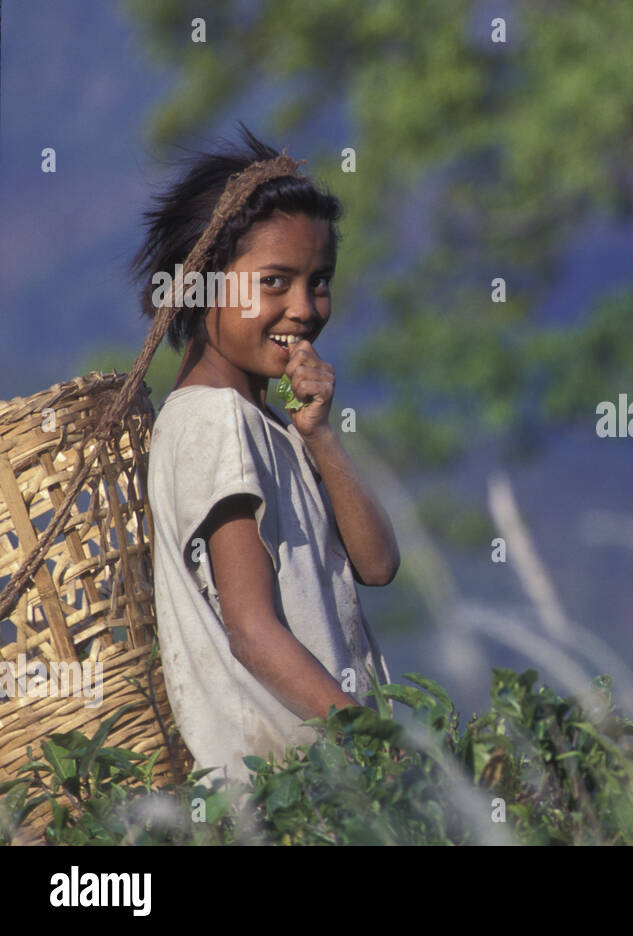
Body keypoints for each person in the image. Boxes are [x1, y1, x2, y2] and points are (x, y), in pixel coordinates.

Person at [135, 126, 400, 790]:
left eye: (319, 283)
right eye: (274, 281)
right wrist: (375, 743)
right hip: (281, 790)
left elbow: (377, 563)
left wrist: (319, 435)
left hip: (314, 785)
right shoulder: (216, 421)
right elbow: (252, 630)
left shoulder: (267, 425)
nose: (305, 309)